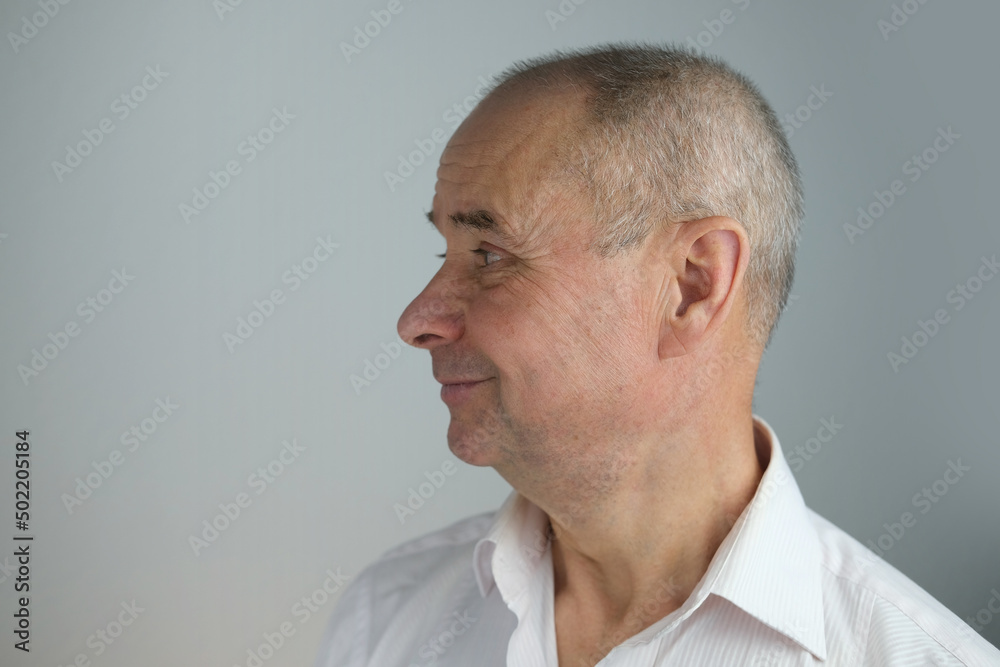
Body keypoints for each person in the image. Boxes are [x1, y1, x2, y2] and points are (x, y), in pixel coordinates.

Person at [315, 43, 1000, 666]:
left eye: (490, 255)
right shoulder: (388, 617)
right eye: (444, 251)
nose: (417, 320)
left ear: (692, 286)